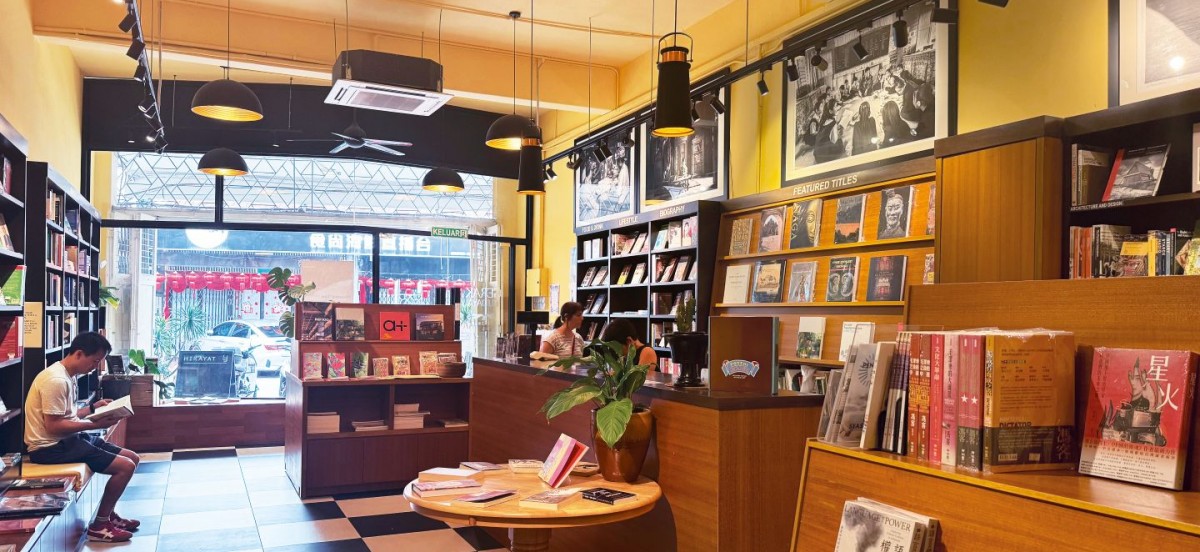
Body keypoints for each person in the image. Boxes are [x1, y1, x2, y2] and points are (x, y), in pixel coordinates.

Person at [25, 332, 141, 543]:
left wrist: (93, 409)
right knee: (125, 467)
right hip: (50, 448)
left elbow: (66, 416)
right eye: (95, 361)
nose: (96, 367)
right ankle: (99, 526)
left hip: (68, 440)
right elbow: (54, 426)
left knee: (132, 457)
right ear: (79, 354)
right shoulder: (55, 380)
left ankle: (109, 515)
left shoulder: (67, 375)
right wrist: (95, 424)